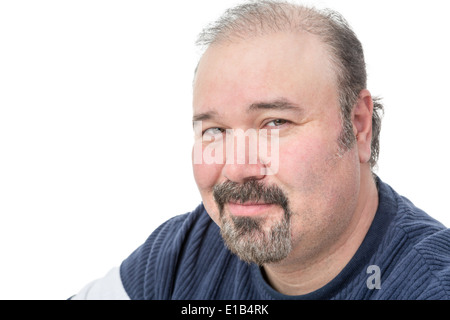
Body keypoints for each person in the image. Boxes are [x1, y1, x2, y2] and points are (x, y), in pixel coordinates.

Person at [71, 0, 450, 300]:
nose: (237, 168)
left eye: (274, 123)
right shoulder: (185, 253)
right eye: (215, 129)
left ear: (359, 126)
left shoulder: (431, 285)